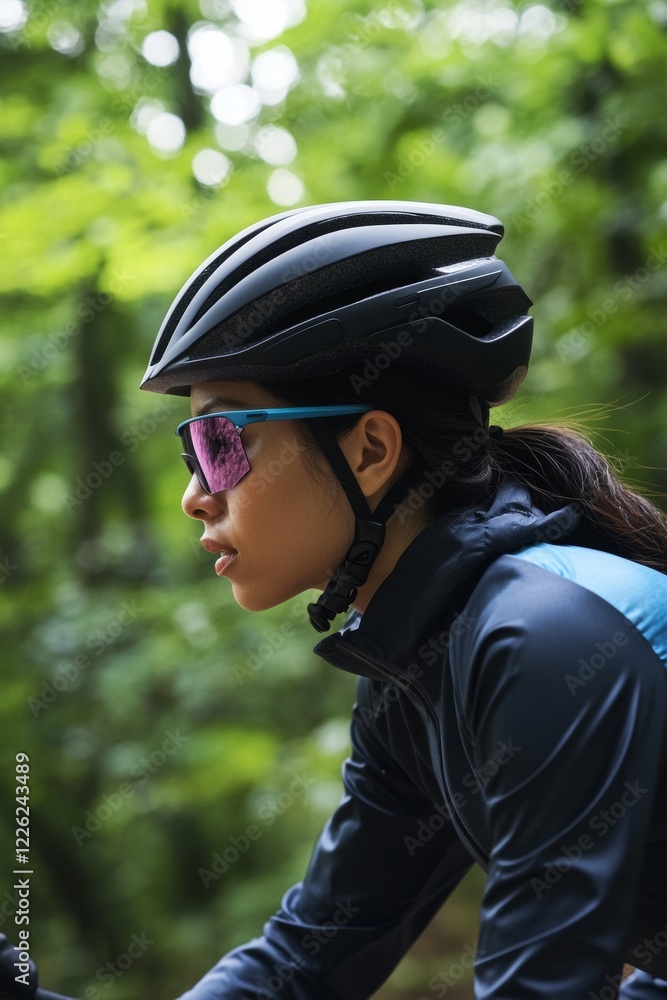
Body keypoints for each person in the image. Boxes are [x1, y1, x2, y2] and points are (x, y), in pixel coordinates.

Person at [138, 200, 667, 999]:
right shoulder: (416, 672)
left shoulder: (543, 636)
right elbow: (303, 965)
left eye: (219, 442)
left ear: (371, 450)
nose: (195, 496)